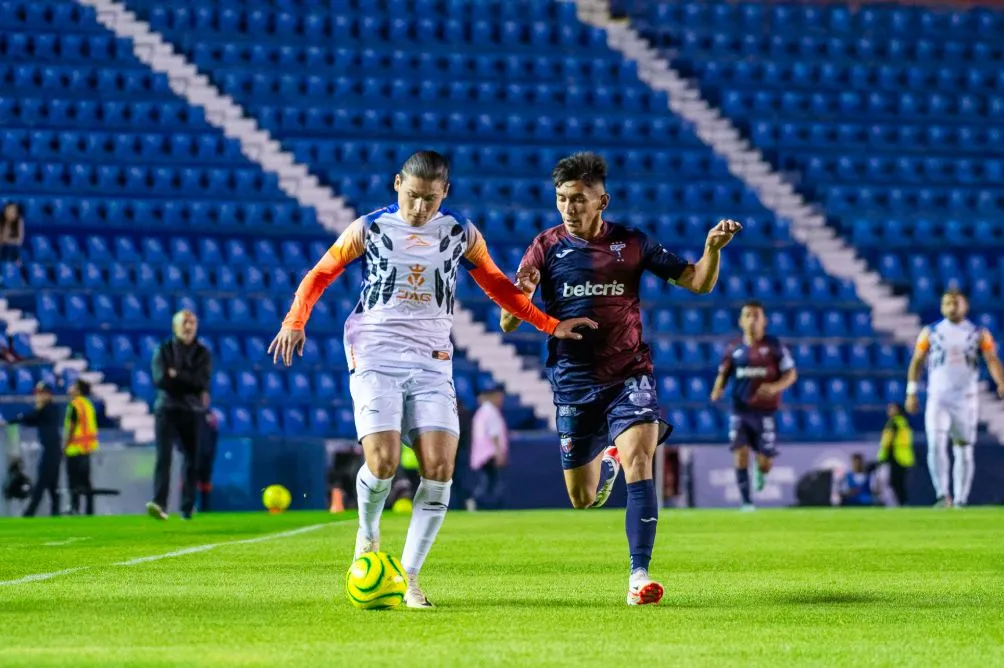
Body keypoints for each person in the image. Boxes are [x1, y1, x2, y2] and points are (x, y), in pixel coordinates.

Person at [267, 150, 595, 608]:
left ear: (446, 193)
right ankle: (367, 535)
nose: (420, 209)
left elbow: (497, 284)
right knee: (381, 463)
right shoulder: (370, 228)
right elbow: (321, 272)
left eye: (430, 200)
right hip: (375, 347)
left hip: (433, 356)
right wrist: (294, 320)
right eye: (413, 197)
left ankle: (410, 575)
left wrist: (547, 323)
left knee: (439, 471)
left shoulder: (460, 232)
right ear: (397, 183)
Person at [500, 152, 742, 605]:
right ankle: (604, 461)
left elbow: (696, 282)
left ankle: (639, 575)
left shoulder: (631, 243)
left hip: (630, 373)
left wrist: (711, 250)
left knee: (641, 462)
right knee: (581, 498)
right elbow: (507, 323)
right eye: (561, 200)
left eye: (578, 199)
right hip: (573, 380)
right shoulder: (545, 246)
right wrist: (520, 296)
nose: (569, 208)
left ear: (602, 200)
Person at [905, 288, 1004, 508]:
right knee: (936, 444)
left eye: (956, 303)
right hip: (938, 397)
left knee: (963, 448)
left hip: (966, 398)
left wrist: (1001, 381)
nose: (952, 307)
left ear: (965, 305)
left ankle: (961, 498)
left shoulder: (978, 333)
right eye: (948, 303)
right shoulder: (930, 332)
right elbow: (917, 361)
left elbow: (991, 359)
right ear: (942, 307)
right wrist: (911, 391)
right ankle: (942, 494)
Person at [710, 301, 798, 511]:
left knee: (765, 462)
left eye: (756, 315)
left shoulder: (775, 346)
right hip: (740, 410)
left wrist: (776, 387)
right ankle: (746, 501)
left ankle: (761, 469)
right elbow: (724, 373)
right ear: (741, 321)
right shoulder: (734, 348)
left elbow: (791, 374)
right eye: (747, 315)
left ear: (764, 320)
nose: (752, 320)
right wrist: (717, 389)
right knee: (740, 452)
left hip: (766, 412)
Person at [147, 310, 212, 520]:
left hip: (192, 411)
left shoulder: (203, 353)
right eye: (184, 322)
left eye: (192, 322)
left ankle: (187, 507)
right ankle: (160, 504)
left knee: (192, 460)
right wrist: (188, 380)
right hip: (166, 409)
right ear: (175, 326)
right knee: (163, 458)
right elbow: (161, 380)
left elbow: (201, 382)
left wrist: (177, 376)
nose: (188, 326)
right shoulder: (163, 350)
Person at [4, 382, 63, 517]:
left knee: (42, 482)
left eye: (41, 393)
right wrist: (14, 421)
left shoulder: (51, 408)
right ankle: (56, 513)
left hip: (52, 450)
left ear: (48, 394)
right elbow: (29, 420)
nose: (38, 397)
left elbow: (31, 416)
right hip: (51, 449)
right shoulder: (44, 411)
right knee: (52, 485)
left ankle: (29, 513)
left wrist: (11, 421)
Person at [466, 384, 509, 511]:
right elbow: (494, 434)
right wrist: (498, 453)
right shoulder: (491, 412)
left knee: (488, 481)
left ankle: (476, 502)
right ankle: (479, 501)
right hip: (489, 454)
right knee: (491, 482)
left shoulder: (481, 412)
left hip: (482, 454)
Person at [64, 379, 99, 515]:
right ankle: (90, 511)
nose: (70, 388)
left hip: (74, 450)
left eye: (73, 386)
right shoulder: (88, 405)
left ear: (78, 390)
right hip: (87, 449)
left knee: (73, 482)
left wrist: (65, 445)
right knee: (86, 482)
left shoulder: (75, 405)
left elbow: (72, 428)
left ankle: (75, 508)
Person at [877, 402, 914, 506]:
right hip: (904, 458)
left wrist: (882, 456)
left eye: (891, 408)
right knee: (900, 483)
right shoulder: (904, 423)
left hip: (894, 457)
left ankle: (896, 504)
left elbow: (887, 441)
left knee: (892, 483)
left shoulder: (893, 423)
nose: (889, 411)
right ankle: (903, 503)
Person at [196, 403, 220, 512]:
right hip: (193, 453)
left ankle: (205, 508)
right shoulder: (192, 413)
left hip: (207, 454)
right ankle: (187, 507)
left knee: (205, 482)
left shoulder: (211, 415)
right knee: (189, 481)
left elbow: (214, 435)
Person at [0, 202, 24, 266]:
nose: (11, 213)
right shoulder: (1, 220)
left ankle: (15, 266)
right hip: (2, 248)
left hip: (12, 248)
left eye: (13, 211)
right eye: (8, 210)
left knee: (13, 248)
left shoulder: (19, 221)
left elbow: (19, 241)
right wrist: (7, 224)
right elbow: (1, 240)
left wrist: (8, 240)